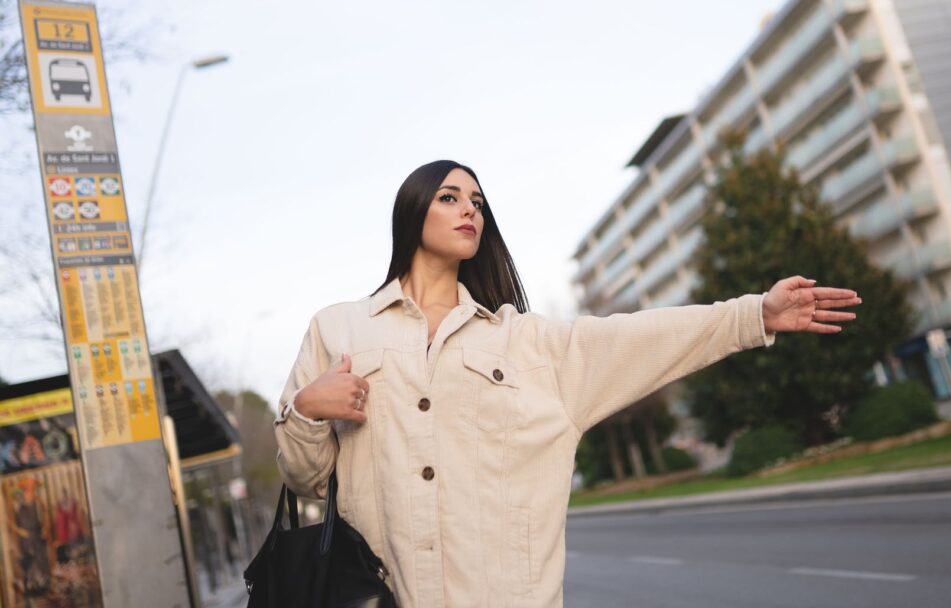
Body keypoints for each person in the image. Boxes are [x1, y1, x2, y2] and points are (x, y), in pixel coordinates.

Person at [275, 160, 860, 607]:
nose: (469, 210)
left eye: (477, 201)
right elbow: (304, 477)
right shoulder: (339, 328)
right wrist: (306, 410)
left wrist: (753, 315)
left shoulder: (527, 345)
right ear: (412, 212)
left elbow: (641, 338)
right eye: (450, 197)